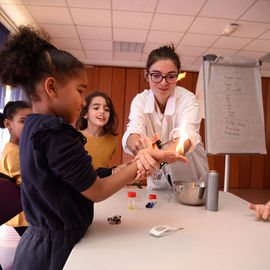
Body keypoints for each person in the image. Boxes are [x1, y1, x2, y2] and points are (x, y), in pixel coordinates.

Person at [0, 26, 188, 270]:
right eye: (80, 91)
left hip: (42, 245)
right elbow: (97, 191)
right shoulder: (54, 132)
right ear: (52, 87)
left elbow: (76, 178)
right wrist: (145, 160)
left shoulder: (35, 127)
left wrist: (120, 169)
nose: (82, 102)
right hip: (53, 253)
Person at [122, 45, 209, 190]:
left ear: (177, 76)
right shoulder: (140, 100)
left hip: (191, 181)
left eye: (170, 76)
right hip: (159, 183)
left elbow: (185, 140)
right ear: (146, 75)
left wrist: (153, 154)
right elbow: (133, 133)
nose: (163, 82)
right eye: (156, 75)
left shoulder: (188, 100)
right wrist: (139, 145)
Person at [0, 101, 31, 236]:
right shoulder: (13, 151)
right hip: (23, 215)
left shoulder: (20, 148)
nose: (29, 127)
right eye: (23, 121)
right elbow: (27, 184)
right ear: (8, 124)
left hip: (26, 212)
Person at [76, 91, 118, 169]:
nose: (102, 111)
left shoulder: (112, 140)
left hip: (102, 180)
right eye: (96, 108)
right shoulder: (75, 137)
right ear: (85, 114)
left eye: (107, 109)